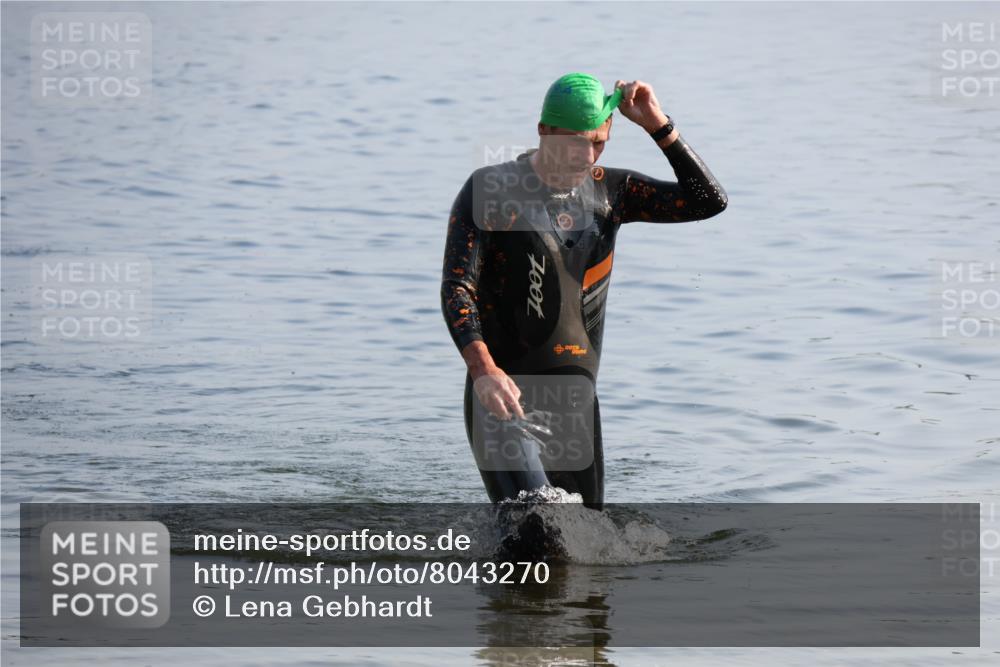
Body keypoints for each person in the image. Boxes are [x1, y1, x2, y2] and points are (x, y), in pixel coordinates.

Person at [440, 73, 727, 510]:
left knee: (588, 547)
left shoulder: (613, 192)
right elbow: (458, 288)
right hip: (501, 397)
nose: (586, 154)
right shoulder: (491, 191)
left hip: (575, 405)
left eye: (597, 142)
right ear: (543, 131)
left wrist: (657, 124)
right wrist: (483, 371)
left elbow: (708, 201)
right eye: (575, 142)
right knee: (537, 520)